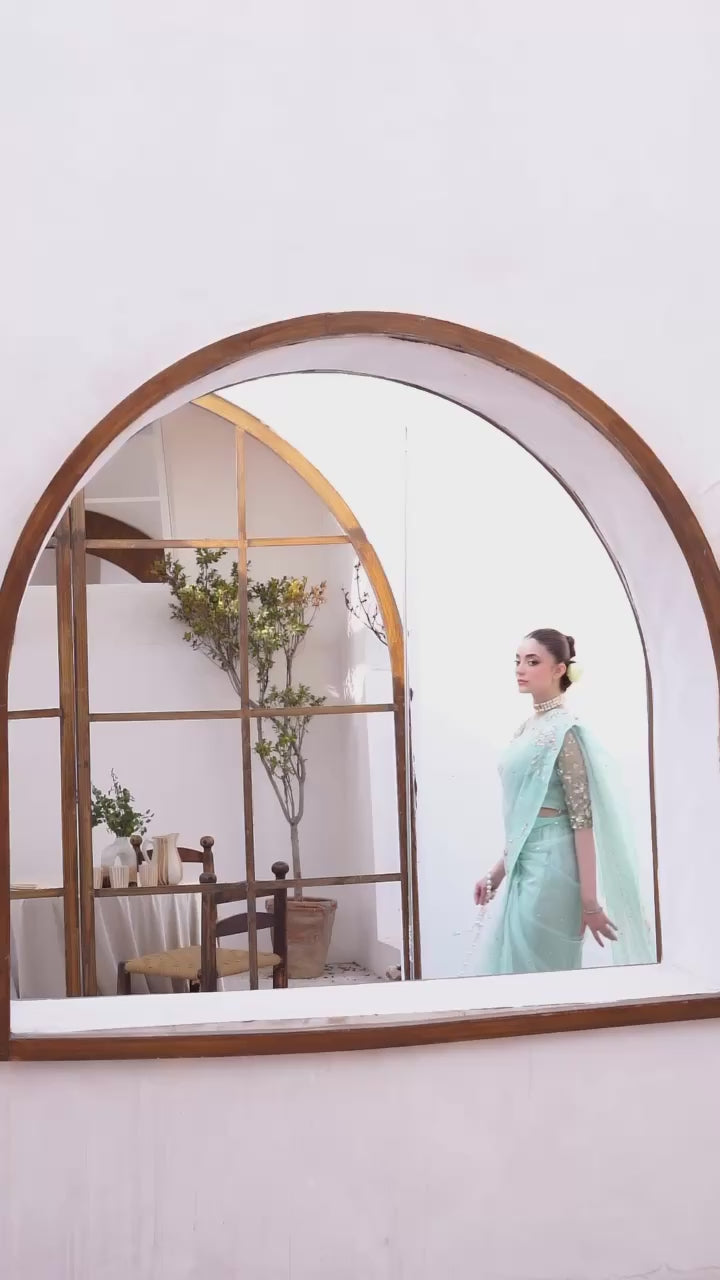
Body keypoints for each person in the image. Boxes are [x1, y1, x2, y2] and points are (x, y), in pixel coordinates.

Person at [473, 629, 653, 974]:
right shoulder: (527, 727)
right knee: (514, 975)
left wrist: (589, 902)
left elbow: (582, 820)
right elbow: (523, 818)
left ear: (559, 670)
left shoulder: (565, 732)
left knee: (540, 976)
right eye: (518, 661)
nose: (520, 669)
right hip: (525, 864)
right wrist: (496, 874)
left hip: (553, 868)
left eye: (532, 661)